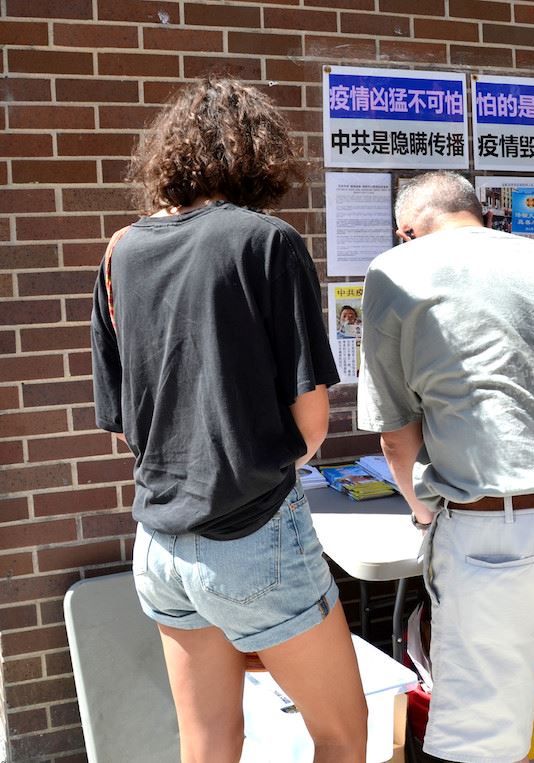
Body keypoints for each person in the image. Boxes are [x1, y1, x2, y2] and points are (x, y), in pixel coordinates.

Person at [90, 77, 367, 762]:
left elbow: (121, 424)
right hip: (253, 530)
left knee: (207, 739)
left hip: (158, 540)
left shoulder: (119, 251)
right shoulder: (266, 241)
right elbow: (310, 424)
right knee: (342, 732)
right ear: (259, 155)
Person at [357, 171, 534, 763]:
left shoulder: (395, 270)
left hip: (496, 526)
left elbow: (396, 438)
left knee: (478, 741)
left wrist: (420, 512)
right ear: (480, 213)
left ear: (406, 230)